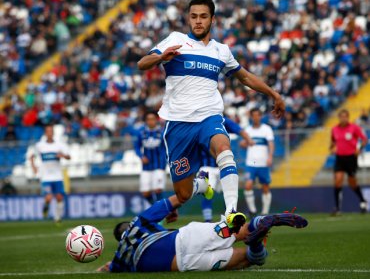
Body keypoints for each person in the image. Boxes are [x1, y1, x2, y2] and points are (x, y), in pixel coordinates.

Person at [137, 0, 285, 228]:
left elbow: (245, 76)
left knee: (224, 149)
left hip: (209, 117)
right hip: (178, 123)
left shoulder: (221, 51)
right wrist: (160, 57)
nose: (198, 21)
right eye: (193, 16)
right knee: (183, 194)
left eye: (203, 16)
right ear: (188, 18)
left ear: (212, 19)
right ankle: (201, 186)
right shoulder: (176, 40)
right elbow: (142, 63)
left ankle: (230, 213)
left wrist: (273, 93)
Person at [98, 191, 308, 273]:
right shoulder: (140, 222)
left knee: (248, 260)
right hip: (186, 237)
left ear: (119, 238)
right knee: (237, 231)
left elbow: (105, 269)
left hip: (183, 265)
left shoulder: (119, 259)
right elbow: (177, 198)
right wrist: (199, 186)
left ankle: (256, 244)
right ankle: (259, 223)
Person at [200, 117, 254, 222]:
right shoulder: (197, 121)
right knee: (207, 191)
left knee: (228, 192)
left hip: (223, 165)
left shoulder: (221, 119)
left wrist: (248, 140)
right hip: (206, 166)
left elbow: (238, 129)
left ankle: (228, 216)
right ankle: (208, 220)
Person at [330, 109, 368, 215]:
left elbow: (364, 139)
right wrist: (332, 148)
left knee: (352, 183)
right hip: (339, 158)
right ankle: (337, 208)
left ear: (348, 117)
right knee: (338, 181)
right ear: (339, 118)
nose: (343, 118)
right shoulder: (334, 129)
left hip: (351, 158)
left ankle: (362, 201)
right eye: (341, 117)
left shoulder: (354, 128)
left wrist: (359, 149)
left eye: (345, 116)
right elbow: (333, 142)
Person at [30, 124, 70, 223]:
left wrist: (63, 155)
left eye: (51, 131)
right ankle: (46, 206)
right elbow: (32, 157)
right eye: (48, 131)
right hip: (46, 176)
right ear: (45, 133)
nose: (50, 133)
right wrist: (34, 167)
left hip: (57, 176)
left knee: (59, 197)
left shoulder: (59, 145)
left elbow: (69, 157)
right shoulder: (40, 145)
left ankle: (57, 218)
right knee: (48, 197)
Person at [241, 108, 275, 216]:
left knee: (265, 186)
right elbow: (242, 144)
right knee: (248, 185)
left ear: (261, 116)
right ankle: (252, 210)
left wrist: (270, 156)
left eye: (257, 115)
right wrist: (245, 143)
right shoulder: (247, 130)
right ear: (251, 117)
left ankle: (265, 212)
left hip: (263, 162)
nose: (256, 117)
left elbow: (271, 144)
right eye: (254, 115)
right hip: (251, 163)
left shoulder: (266, 129)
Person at [134, 111, 167, 205]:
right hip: (146, 166)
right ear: (145, 121)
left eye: (152, 119)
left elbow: (167, 147)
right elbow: (137, 146)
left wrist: (164, 158)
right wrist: (141, 156)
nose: (150, 121)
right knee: (145, 192)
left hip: (159, 165)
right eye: (148, 119)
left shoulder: (162, 132)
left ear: (156, 120)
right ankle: (155, 208)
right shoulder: (141, 133)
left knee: (158, 190)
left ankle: (159, 216)